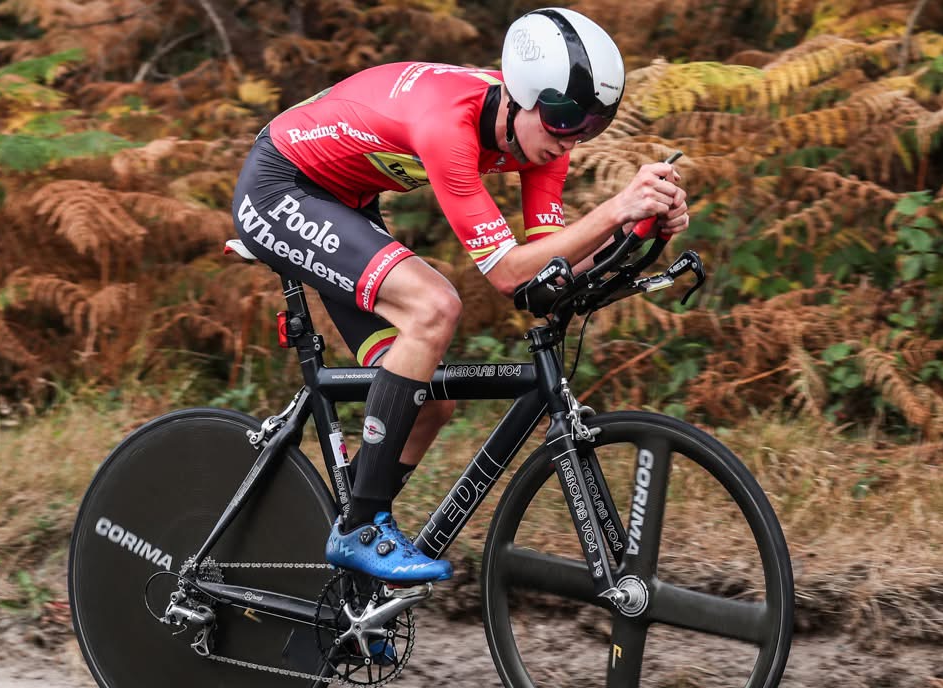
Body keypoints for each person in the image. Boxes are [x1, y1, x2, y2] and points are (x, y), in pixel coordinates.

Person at [230, 7, 689, 585]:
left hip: (344, 201)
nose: (569, 138)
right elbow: (505, 273)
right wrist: (616, 208)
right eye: (563, 119)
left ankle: (349, 560)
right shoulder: (447, 124)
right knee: (435, 305)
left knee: (430, 403)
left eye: (590, 127)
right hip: (280, 188)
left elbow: (544, 272)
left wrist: (640, 232)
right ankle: (361, 528)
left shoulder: (543, 140)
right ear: (522, 96)